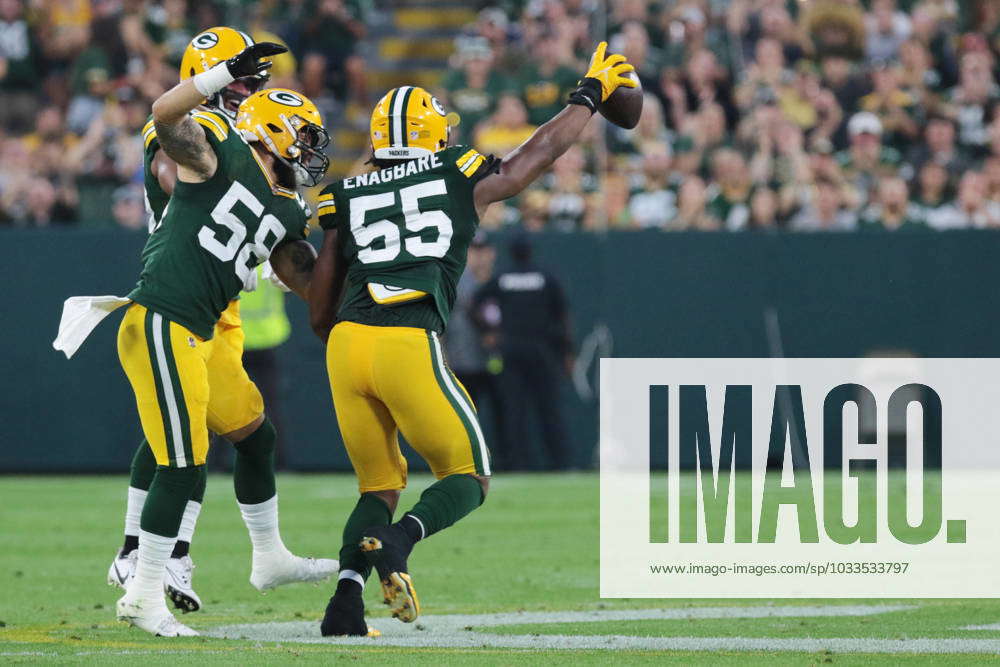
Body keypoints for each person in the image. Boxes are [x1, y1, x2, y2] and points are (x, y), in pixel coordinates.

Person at [308, 42, 636, 635]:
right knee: (469, 476)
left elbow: (317, 310)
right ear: (433, 134)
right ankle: (399, 542)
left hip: (346, 345)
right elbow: (530, 160)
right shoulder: (453, 170)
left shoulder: (347, 193)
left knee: (378, 485)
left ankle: (344, 604)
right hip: (407, 339)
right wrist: (586, 98)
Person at [108, 39, 336, 636]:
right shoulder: (217, 151)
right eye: (305, 137)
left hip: (199, 328)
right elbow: (163, 117)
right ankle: (144, 588)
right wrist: (223, 75)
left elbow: (305, 280)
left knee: (254, 436)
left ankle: (269, 557)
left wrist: (350, 238)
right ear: (277, 131)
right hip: (162, 317)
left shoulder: (288, 207)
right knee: (183, 467)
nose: (313, 151)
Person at [473, 234, 573, 470]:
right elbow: (563, 315)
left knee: (513, 408)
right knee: (549, 408)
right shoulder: (546, 277)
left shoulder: (502, 278)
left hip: (510, 348)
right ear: (531, 252)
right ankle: (560, 461)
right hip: (542, 348)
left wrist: (488, 329)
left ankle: (517, 462)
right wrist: (568, 351)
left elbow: (475, 303)